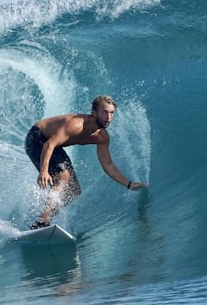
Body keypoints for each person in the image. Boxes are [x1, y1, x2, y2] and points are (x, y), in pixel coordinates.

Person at [24, 95, 146, 229]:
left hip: (53, 145)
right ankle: (42, 222)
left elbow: (108, 165)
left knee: (74, 190)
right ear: (94, 113)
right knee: (63, 177)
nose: (109, 117)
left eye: (112, 113)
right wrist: (44, 171)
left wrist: (129, 184)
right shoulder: (76, 125)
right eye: (105, 112)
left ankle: (45, 217)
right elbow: (49, 145)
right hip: (37, 138)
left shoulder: (102, 137)